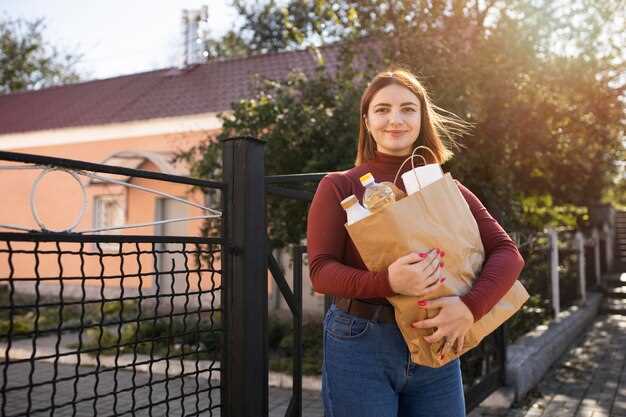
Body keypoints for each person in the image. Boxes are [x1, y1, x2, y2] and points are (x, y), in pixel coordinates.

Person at [306, 68, 525, 417]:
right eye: (382, 109)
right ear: (367, 119)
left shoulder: (444, 188)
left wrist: (470, 308)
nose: (395, 119)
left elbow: (508, 253)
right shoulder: (339, 186)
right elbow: (320, 271)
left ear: (421, 118)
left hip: (436, 338)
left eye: (408, 109)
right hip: (361, 341)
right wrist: (388, 281)